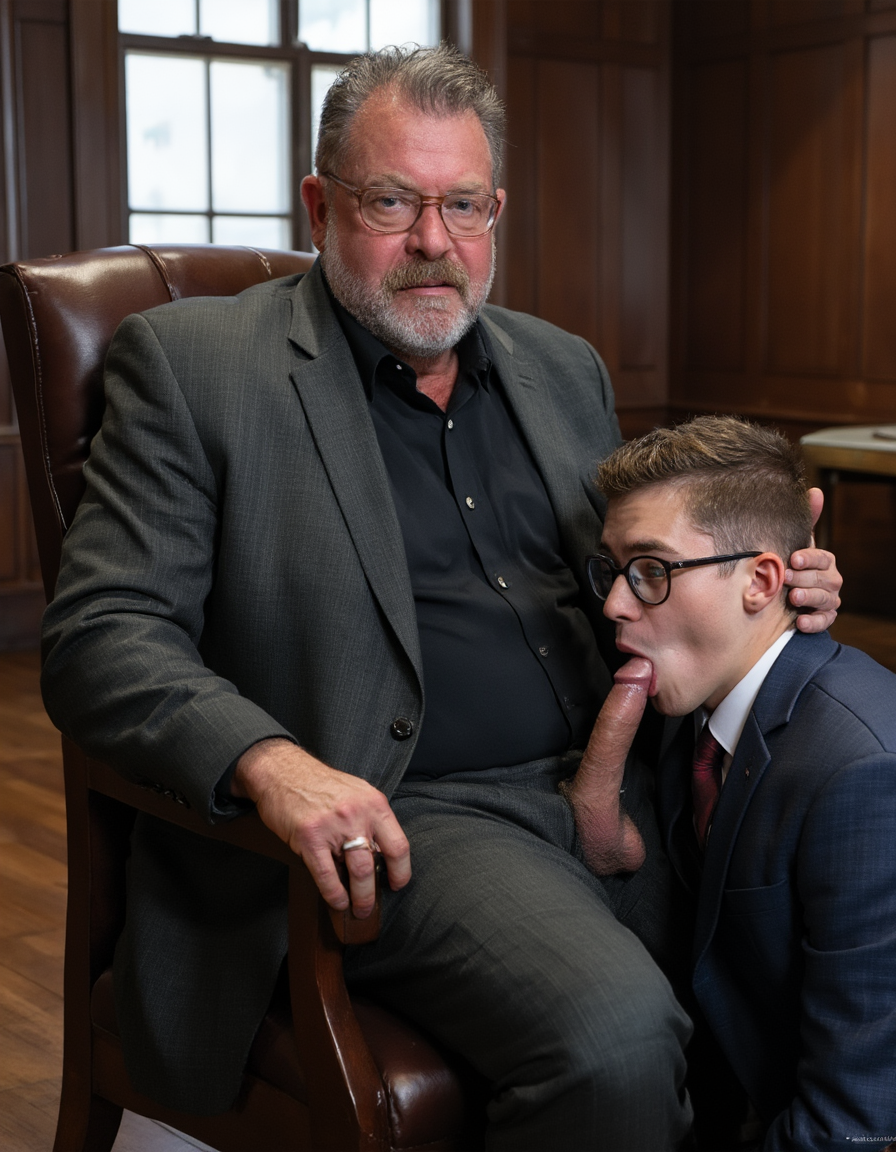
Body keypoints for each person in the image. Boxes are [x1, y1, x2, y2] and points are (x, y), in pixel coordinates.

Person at [40, 45, 841, 1150]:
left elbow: (647, 573)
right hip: (406, 814)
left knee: (833, 937)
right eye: (391, 202)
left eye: (463, 205)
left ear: (495, 209)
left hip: (620, 783)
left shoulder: (562, 367)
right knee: (611, 1035)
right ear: (320, 204)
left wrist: (763, 585)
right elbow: (98, 636)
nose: (433, 242)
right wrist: (271, 764)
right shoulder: (194, 365)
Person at [566, 415, 895, 1151]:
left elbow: (853, 1120)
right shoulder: (696, 706)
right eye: (613, 570)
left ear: (762, 581)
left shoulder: (863, 772)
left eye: (651, 569)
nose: (615, 604)